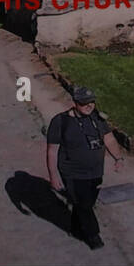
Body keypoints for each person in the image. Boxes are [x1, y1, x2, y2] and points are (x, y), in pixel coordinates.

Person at [46, 86, 123, 249]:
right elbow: (52, 151)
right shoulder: (60, 122)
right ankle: (93, 235)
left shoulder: (97, 119)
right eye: (84, 103)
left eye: (92, 102)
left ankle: (76, 227)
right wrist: (53, 175)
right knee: (84, 205)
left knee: (84, 203)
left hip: (95, 172)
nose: (89, 106)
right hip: (72, 173)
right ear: (74, 103)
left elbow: (109, 139)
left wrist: (118, 157)